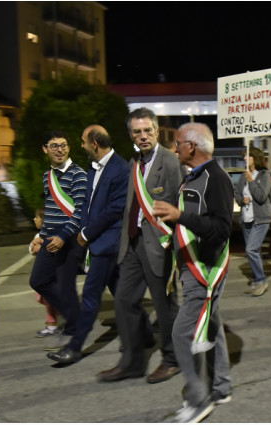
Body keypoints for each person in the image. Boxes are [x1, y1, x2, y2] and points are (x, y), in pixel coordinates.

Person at [153, 123, 233, 423]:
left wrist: (180, 216)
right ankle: (222, 387)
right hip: (190, 265)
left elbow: (222, 229)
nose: (174, 148)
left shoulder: (217, 179)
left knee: (180, 332)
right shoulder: (194, 178)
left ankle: (199, 402)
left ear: (191, 146)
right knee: (212, 324)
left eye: (177, 143)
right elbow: (194, 221)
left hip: (205, 269)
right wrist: (171, 226)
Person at [97, 107, 183, 384]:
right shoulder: (135, 162)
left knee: (165, 305)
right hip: (133, 243)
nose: (143, 135)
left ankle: (172, 359)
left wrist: (179, 248)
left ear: (157, 131)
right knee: (123, 300)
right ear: (131, 134)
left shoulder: (170, 161)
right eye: (137, 131)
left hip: (160, 244)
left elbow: (181, 205)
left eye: (148, 130)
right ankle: (132, 362)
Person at [47, 125, 129, 364]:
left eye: (83, 141)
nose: (81, 146)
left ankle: (74, 348)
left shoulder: (121, 169)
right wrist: (80, 232)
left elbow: (115, 209)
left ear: (94, 143)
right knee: (122, 294)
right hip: (95, 240)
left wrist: (89, 233)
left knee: (91, 297)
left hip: (108, 243)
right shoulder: (94, 168)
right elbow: (86, 203)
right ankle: (143, 333)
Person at [29, 131, 87, 351]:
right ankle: (76, 317)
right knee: (38, 281)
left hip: (69, 240)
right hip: (49, 240)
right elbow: (51, 212)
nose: (59, 150)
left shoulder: (78, 175)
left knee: (65, 287)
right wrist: (39, 238)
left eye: (63, 145)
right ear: (46, 149)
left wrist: (63, 236)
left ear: (69, 148)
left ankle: (74, 332)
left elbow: (80, 212)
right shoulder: (48, 176)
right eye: (54, 146)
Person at [234, 147, 271, 297]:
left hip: (261, 219)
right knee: (255, 251)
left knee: (250, 250)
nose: (244, 159)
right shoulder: (244, 176)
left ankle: (262, 280)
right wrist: (241, 200)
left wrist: (251, 181)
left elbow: (262, 197)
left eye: (246, 156)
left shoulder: (264, 176)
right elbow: (237, 193)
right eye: (243, 156)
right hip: (247, 219)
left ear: (254, 158)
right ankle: (257, 280)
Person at [29, 207, 60, 338]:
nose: (34, 219)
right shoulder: (39, 235)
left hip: (53, 273)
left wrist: (41, 248)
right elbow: (31, 248)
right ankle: (51, 324)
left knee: (48, 298)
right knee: (45, 299)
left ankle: (53, 324)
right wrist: (34, 248)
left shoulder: (51, 234)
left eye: (37, 217)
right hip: (44, 272)